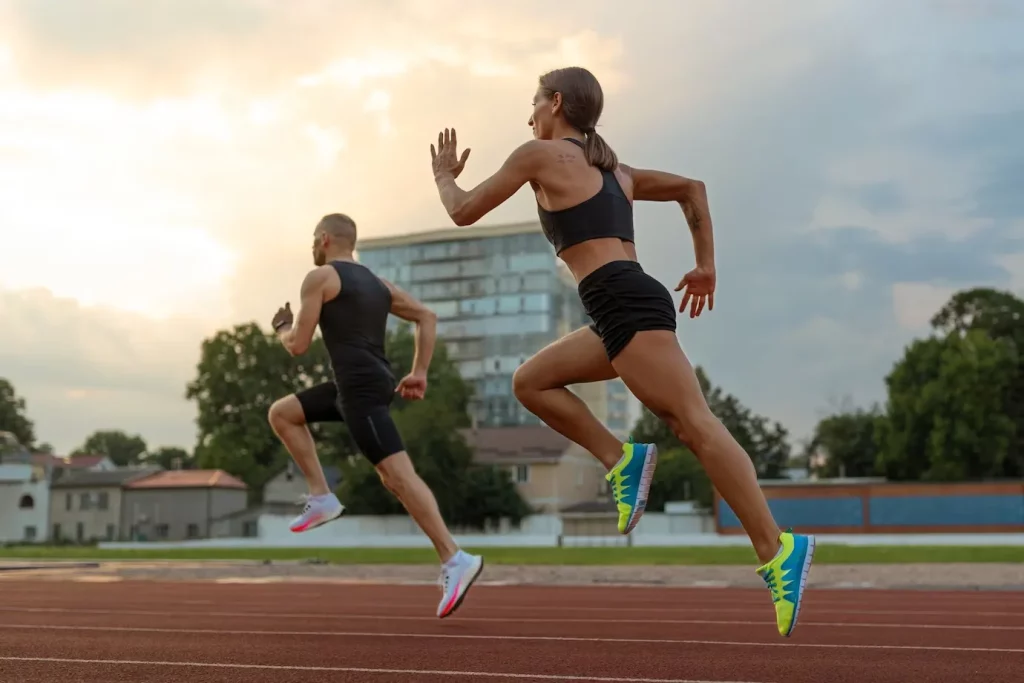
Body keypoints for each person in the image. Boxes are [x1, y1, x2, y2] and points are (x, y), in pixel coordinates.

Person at [427, 66, 815, 637]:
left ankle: (777, 549)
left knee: (695, 425)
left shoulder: (539, 155)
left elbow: (462, 210)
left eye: (533, 104)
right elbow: (693, 190)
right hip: (617, 306)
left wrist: (441, 176)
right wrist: (705, 263)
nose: (528, 116)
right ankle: (621, 459)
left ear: (556, 103)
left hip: (622, 301)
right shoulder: (617, 172)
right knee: (531, 382)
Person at [267, 213, 484, 619]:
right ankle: (321, 496)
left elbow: (297, 345)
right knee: (282, 413)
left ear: (326, 238)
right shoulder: (379, 284)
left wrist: (281, 326)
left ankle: (456, 559)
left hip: (360, 390)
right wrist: (419, 371)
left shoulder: (320, 279)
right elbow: (427, 316)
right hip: (360, 384)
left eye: (314, 239)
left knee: (398, 477)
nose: (312, 246)